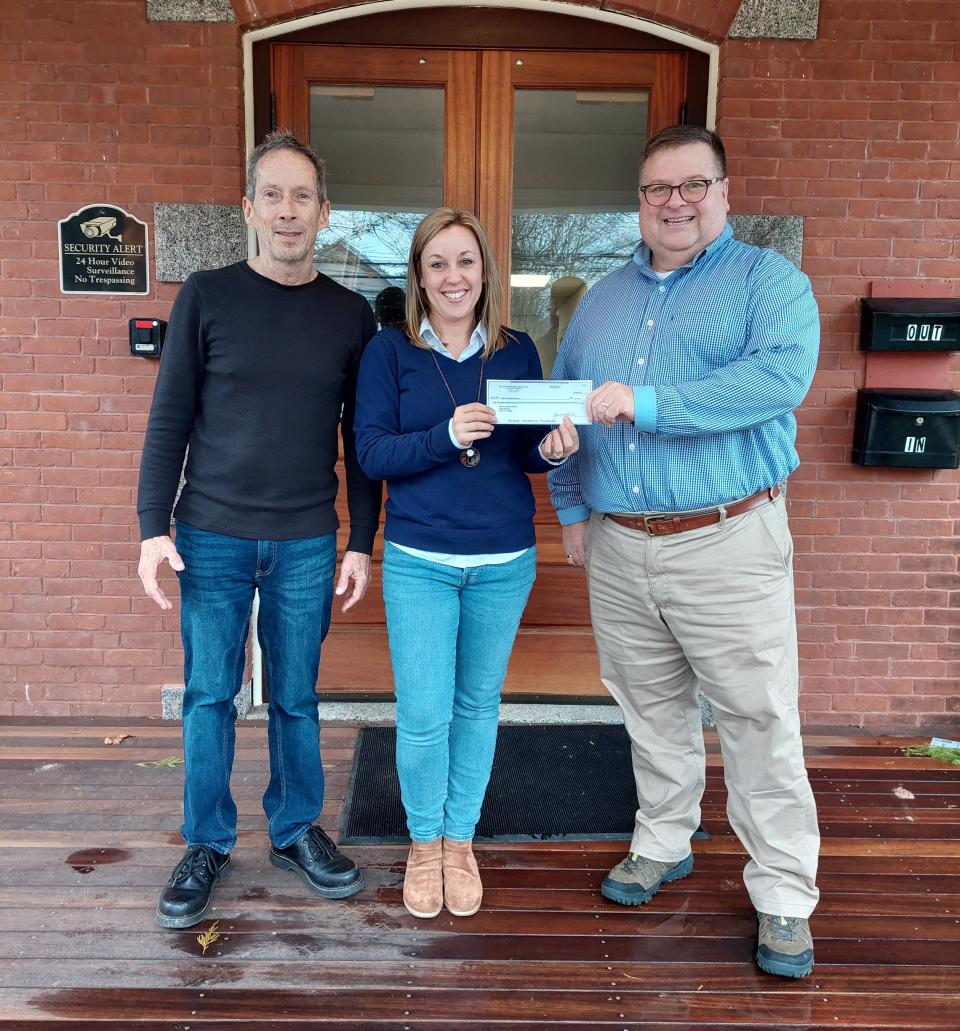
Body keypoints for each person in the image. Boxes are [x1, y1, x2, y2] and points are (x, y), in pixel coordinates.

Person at [549, 125, 821, 979]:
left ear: (725, 193)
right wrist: (567, 499)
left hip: (727, 537)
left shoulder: (767, 282)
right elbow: (565, 404)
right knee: (649, 709)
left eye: (692, 185)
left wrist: (651, 401)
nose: (674, 202)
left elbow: (778, 380)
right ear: (638, 201)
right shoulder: (597, 301)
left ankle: (783, 894)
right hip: (623, 546)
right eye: (657, 189)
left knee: (758, 718)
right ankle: (664, 840)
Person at [136, 130, 381, 929]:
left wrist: (359, 539)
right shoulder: (206, 295)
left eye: (301, 196)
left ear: (325, 212)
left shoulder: (351, 316)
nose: (287, 211)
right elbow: (169, 418)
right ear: (249, 208)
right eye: (271, 195)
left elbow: (359, 440)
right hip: (210, 532)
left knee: (297, 696)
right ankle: (206, 839)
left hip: (309, 537)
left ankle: (294, 828)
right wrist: (150, 527)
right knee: (210, 693)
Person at [354, 208, 578, 920]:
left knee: (478, 707)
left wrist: (551, 451)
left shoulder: (516, 353)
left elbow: (521, 451)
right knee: (422, 714)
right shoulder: (389, 354)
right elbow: (372, 454)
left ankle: (460, 840)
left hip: (503, 560)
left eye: (466, 262)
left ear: (486, 272)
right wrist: (444, 435)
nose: (454, 277)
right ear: (419, 276)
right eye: (438, 263)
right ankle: (424, 843)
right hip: (419, 560)